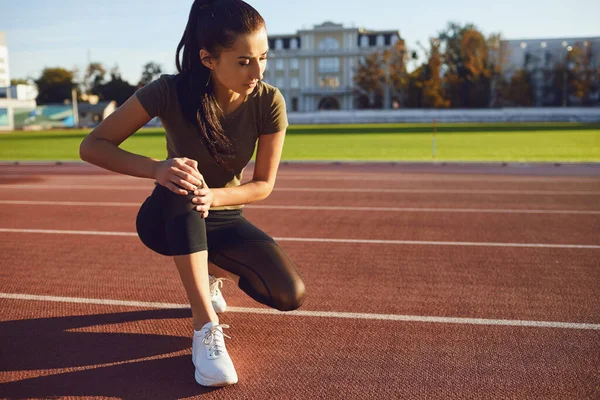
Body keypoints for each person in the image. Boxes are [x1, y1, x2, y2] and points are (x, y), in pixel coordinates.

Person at [79, 0, 306, 387]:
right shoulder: (168, 91)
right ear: (207, 58)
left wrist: (215, 198)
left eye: (263, 58)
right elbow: (93, 145)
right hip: (167, 215)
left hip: (221, 212)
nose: (257, 71)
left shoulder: (269, 101)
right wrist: (155, 168)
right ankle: (204, 327)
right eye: (244, 61)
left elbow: (263, 184)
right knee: (185, 175)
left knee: (288, 293)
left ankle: (209, 272)